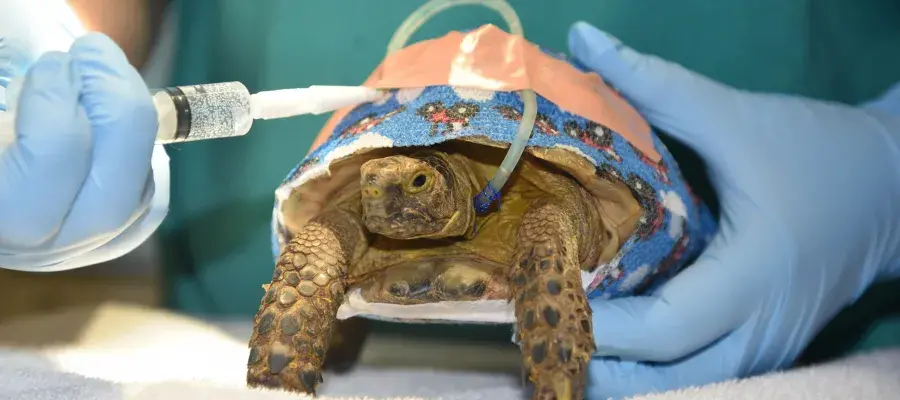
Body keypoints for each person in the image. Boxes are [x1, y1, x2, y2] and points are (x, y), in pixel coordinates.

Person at [2, 2, 899, 399]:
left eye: (417, 180)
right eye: (384, 181)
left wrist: (888, 161)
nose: (390, 188)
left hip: (812, 266)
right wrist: (52, 39)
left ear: (459, 185)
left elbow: (561, 227)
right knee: (321, 249)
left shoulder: (544, 211)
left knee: (548, 238)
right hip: (218, 300)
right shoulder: (361, 207)